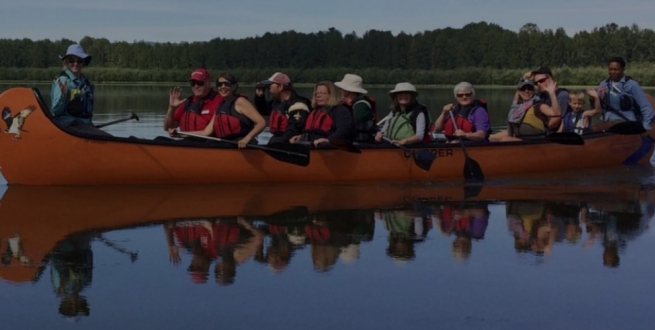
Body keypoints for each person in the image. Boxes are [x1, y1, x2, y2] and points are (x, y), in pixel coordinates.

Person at [183, 73, 265, 148]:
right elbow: (206, 132)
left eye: (227, 84)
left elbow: (261, 122)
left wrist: (247, 138)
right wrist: (183, 134)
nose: (222, 87)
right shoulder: (220, 105)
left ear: (234, 86)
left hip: (242, 145)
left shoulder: (240, 101)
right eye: (219, 84)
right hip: (226, 144)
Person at [50, 44, 111, 137]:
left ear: (83, 62)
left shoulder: (87, 84)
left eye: (79, 61)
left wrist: (90, 127)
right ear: (66, 62)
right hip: (68, 126)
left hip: (84, 125)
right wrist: (63, 96)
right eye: (71, 60)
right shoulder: (62, 81)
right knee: (107, 138)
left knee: (107, 138)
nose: (75, 64)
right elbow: (55, 111)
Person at [594, 57, 654, 131]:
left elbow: (646, 107)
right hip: (607, 121)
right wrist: (593, 98)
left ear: (622, 69)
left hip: (626, 121)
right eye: (610, 69)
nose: (612, 72)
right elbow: (596, 106)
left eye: (616, 69)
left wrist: (645, 127)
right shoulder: (603, 84)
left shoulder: (632, 85)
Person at [289, 81, 355, 147]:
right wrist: (301, 137)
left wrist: (329, 140)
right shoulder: (316, 111)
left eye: (323, 93)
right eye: (316, 93)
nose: (318, 95)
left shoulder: (340, 110)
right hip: (312, 146)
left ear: (331, 95)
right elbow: (311, 132)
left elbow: (344, 130)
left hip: (329, 148)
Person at [164, 68, 223, 135]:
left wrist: (182, 134)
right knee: (159, 139)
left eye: (200, 83)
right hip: (186, 141)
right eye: (193, 83)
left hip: (208, 142)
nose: (196, 86)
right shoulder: (187, 102)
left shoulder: (219, 100)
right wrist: (171, 108)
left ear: (208, 83)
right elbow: (167, 127)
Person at [260, 72, 311, 144]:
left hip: (293, 143)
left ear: (280, 86)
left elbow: (295, 127)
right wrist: (259, 97)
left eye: (270, 86)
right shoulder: (277, 103)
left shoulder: (298, 105)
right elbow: (263, 110)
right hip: (278, 139)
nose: (268, 89)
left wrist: (281, 142)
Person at [489, 78, 539, 142]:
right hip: (520, 135)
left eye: (530, 88)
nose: (526, 91)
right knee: (490, 138)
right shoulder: (518, 106)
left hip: (533, 140)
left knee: (505, 139)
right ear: (518, 92)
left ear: (534, 91)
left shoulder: (537, 103)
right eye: (523, 89)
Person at [335, 74, 377, 143]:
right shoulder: (350, 103)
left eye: (341, 89)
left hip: (362, 143)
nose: (340, 91)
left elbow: (349, 122)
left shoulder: (361, 105)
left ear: (347, 91)